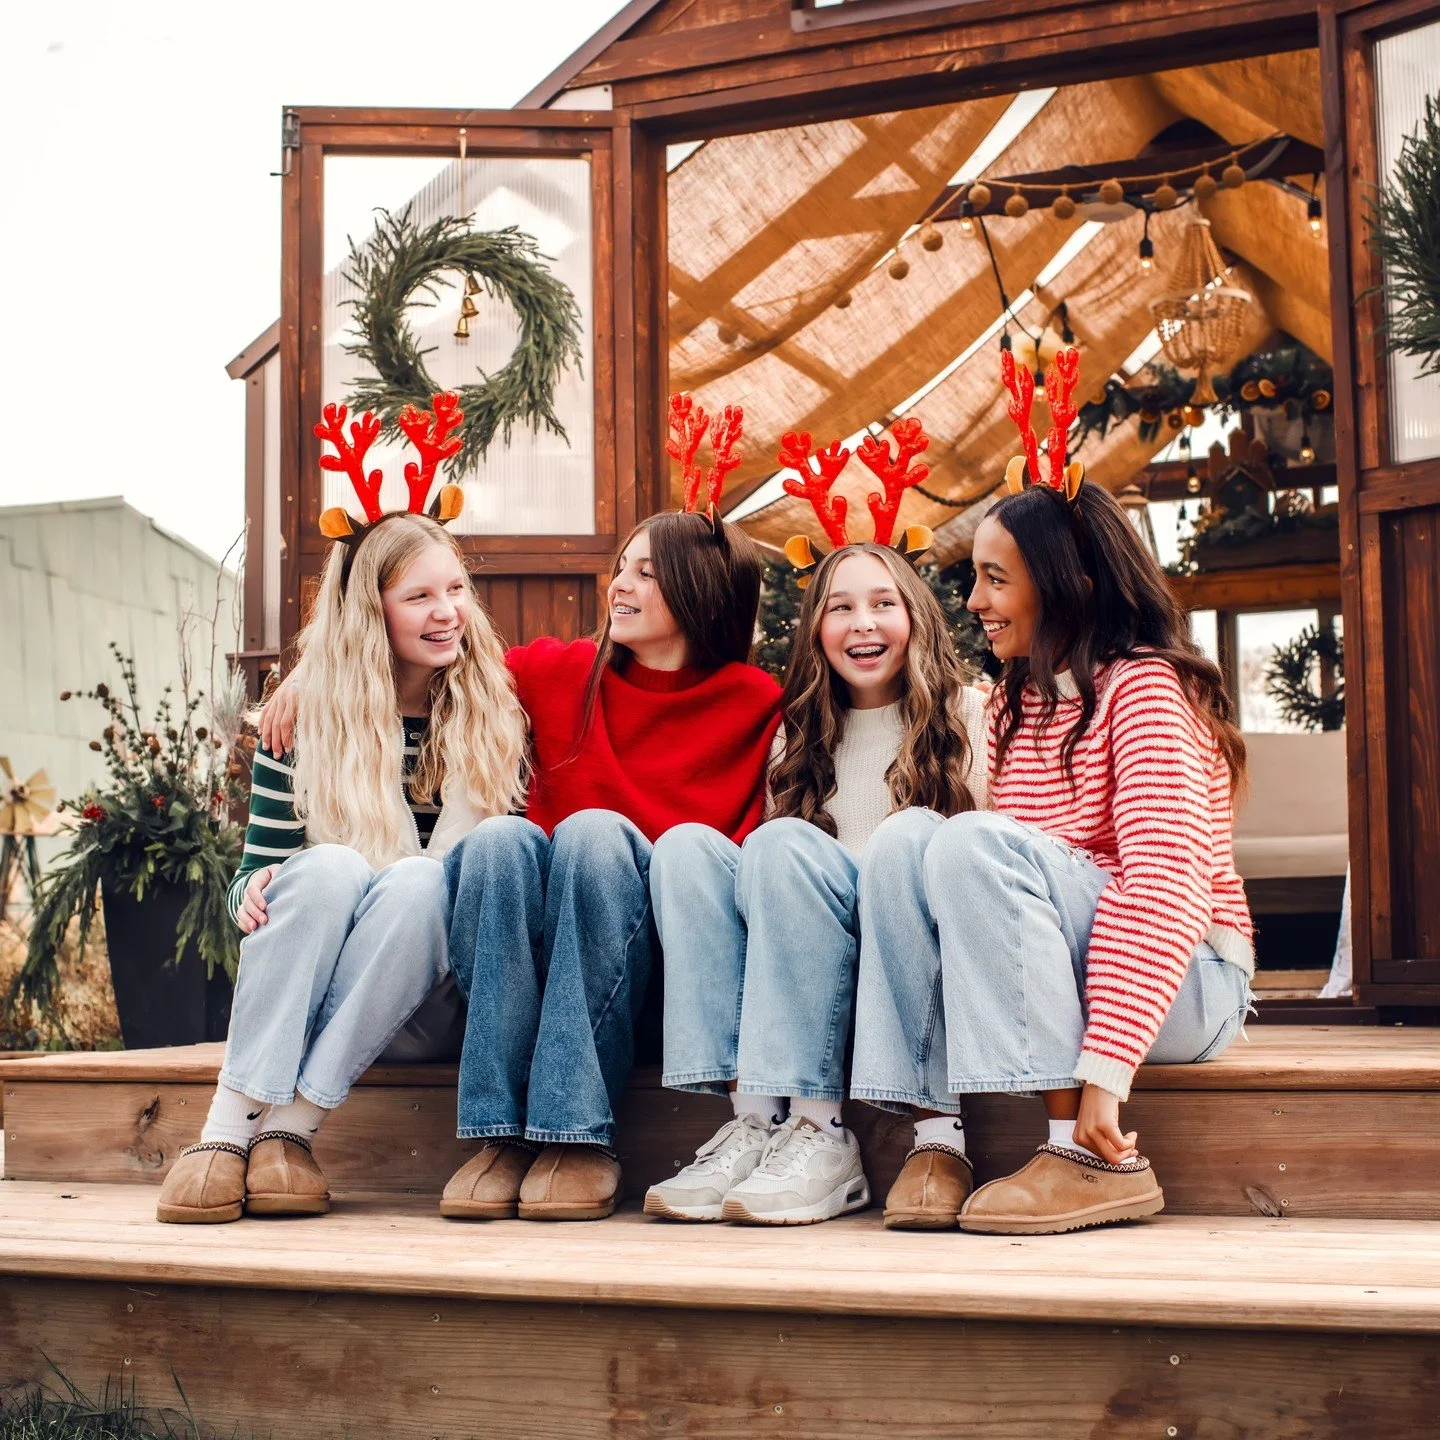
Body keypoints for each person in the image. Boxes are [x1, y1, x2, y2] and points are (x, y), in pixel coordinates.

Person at [851, 349, 1254, 1234]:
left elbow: (1164, 885)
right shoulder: (1016, 700)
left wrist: (1105, 1076)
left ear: (1070, 586)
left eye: (996, 578)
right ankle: (934, 1136)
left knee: (968, 839)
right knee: (907, 838)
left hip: (1187, 984)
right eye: (975, 577)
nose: (974, 599)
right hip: (1084, 970)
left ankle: (1086, 1154)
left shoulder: (1147, 689)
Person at [157, 395, 528, 1223]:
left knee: (422, 883)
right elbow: (255, 873)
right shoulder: (304, 721)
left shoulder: (499, 714)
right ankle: (233, 1132)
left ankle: (289, 1123)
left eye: (456, 590)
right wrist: (248, 892)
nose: (448, 613)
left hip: (434, 999)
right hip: (321, 983)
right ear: (372, 612)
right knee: (323, 867)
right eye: (419, 597)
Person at [645, 537, 988, 1225]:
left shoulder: (969, 715)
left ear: (916, 616)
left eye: (882, 604)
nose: (862, 623)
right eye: (840, 608)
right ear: (816, 630)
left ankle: (822, 1131)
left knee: (787, 843)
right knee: (684, 849)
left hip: (908, 958)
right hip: (808, 954)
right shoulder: (798, 732)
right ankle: (754, 1122)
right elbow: (778, 884)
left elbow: (978, 870)